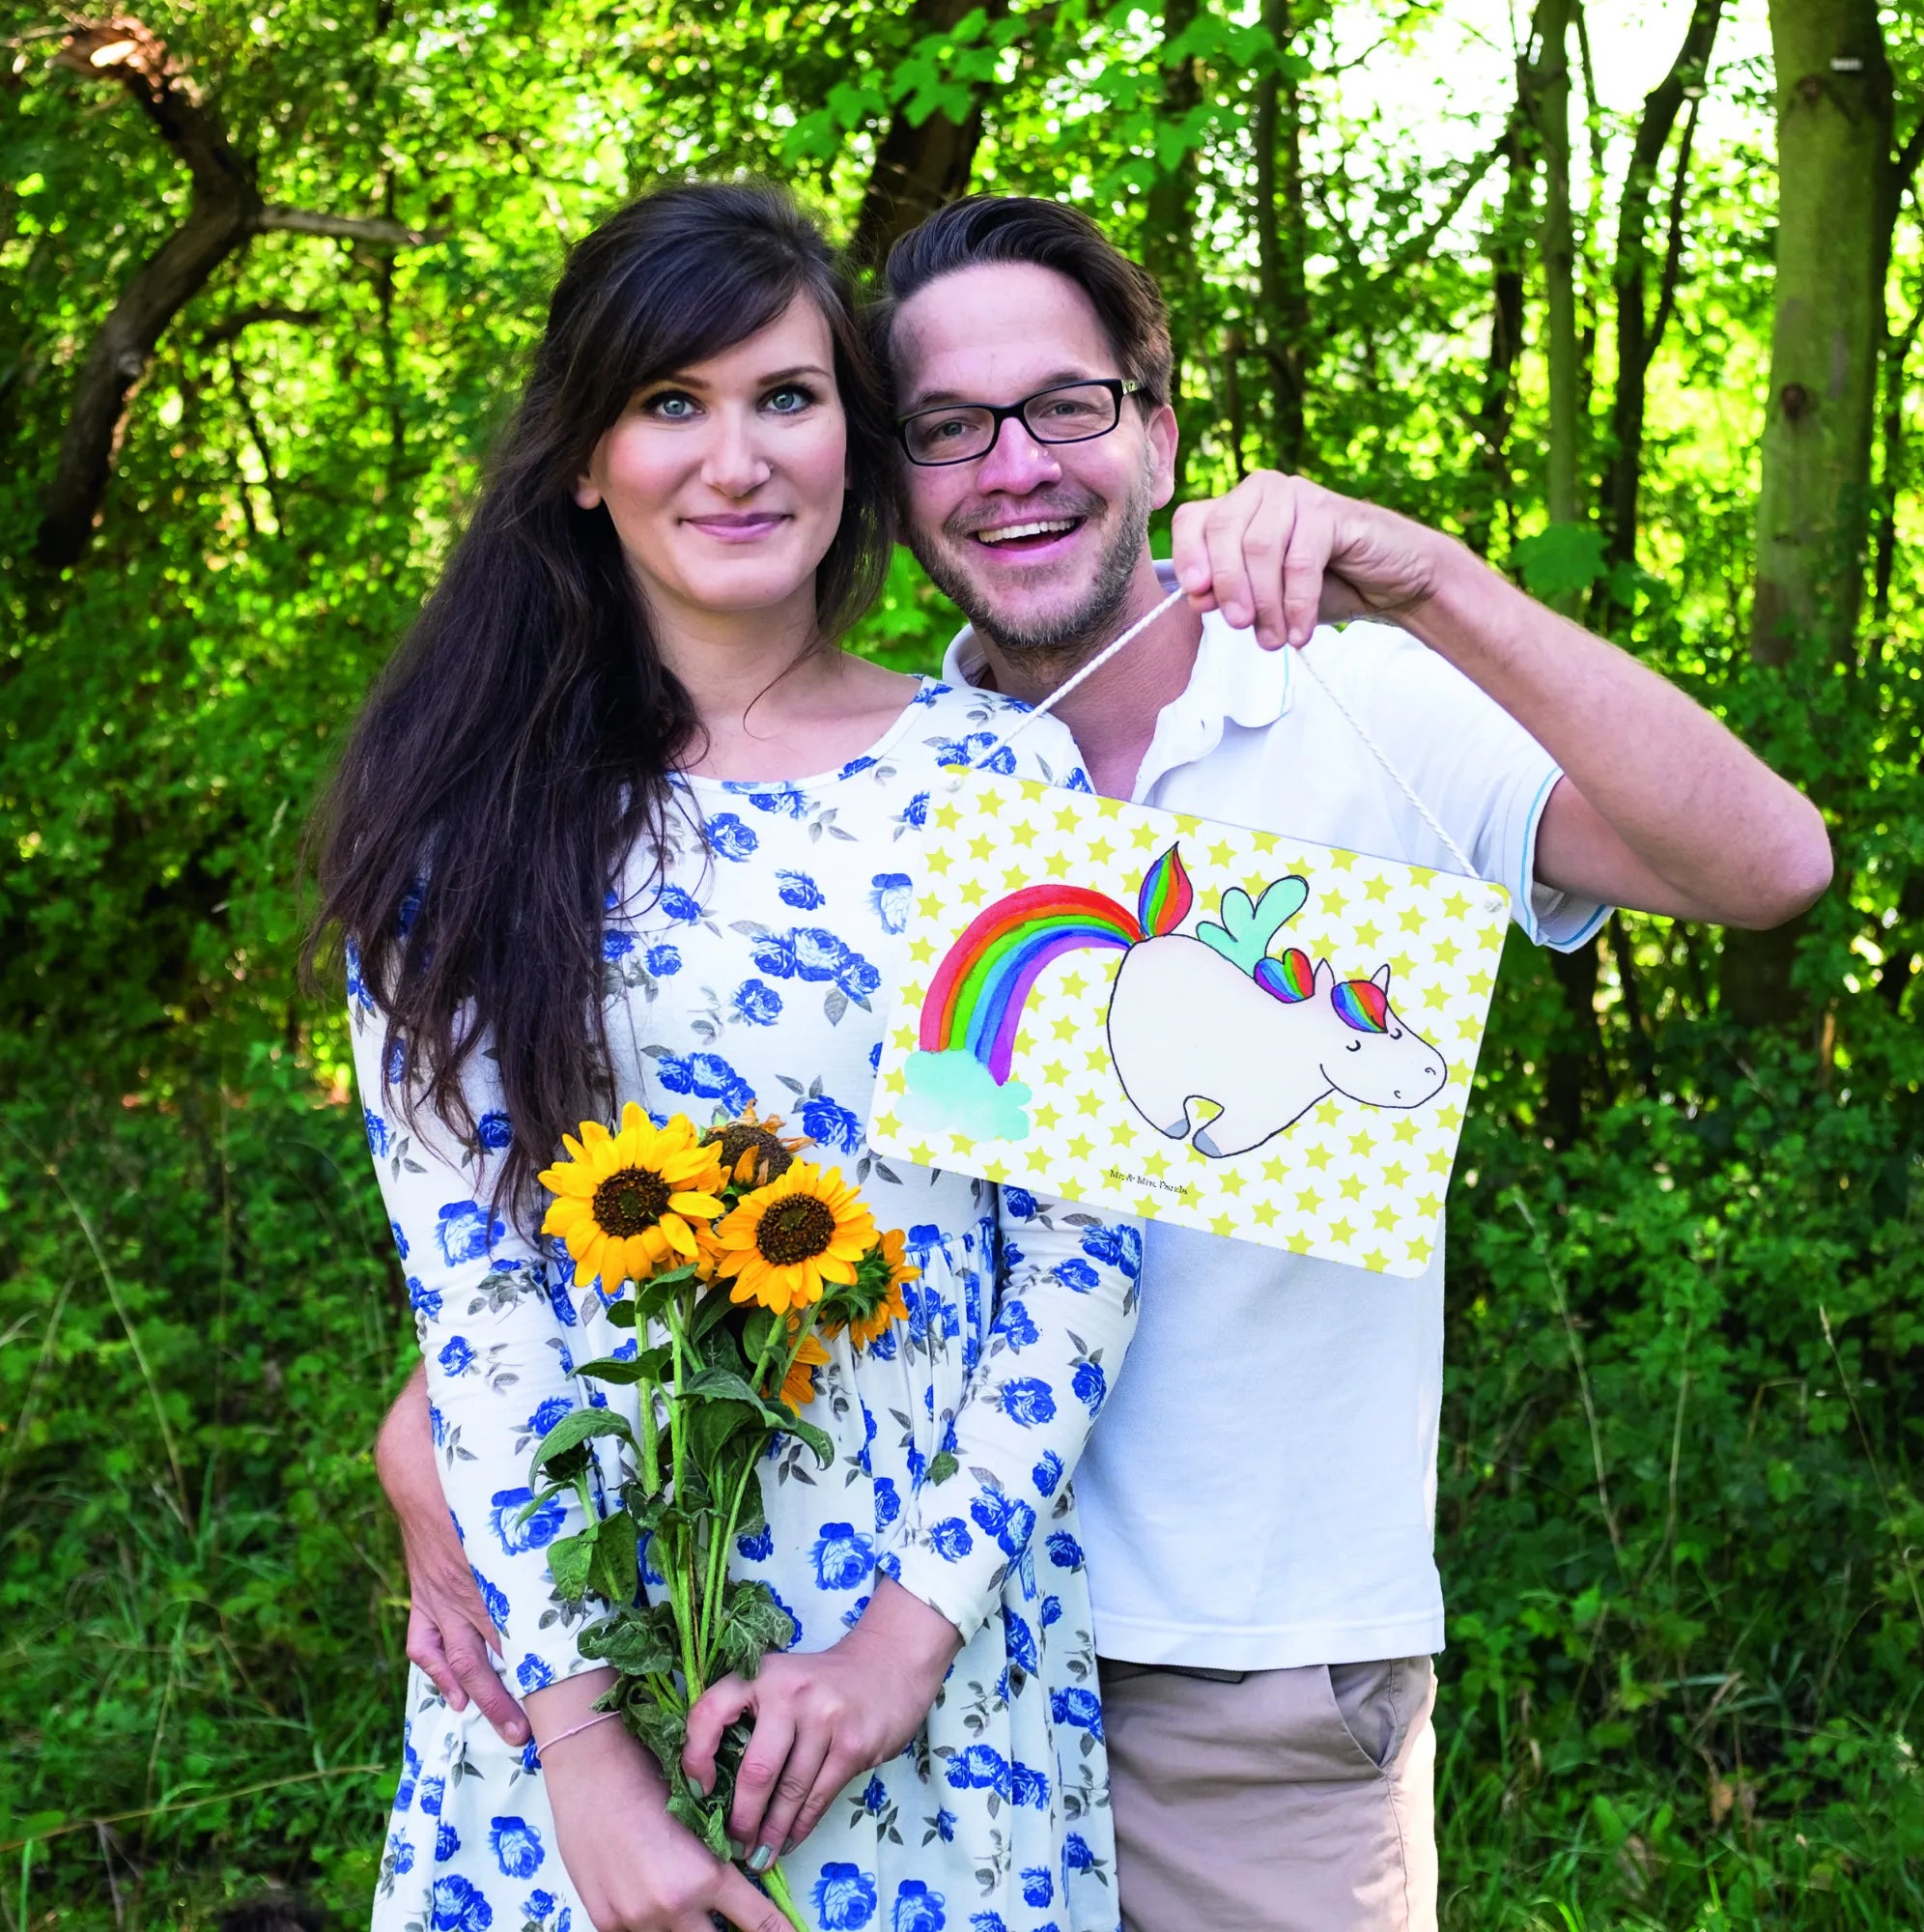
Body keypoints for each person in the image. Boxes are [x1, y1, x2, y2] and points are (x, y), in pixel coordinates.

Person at [379, 191, 1832, 1930]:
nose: (1014, 467)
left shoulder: (1345, 704)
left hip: (1236, 1677)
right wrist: (439, 1426)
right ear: (894, 470)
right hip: (828, 1648)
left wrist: (1431, 577)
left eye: (1064, 407)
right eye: (948, 427)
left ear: (1158, 430)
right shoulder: (901, 783)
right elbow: (669, 1174)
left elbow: (1771, 867)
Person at [314, 183, 1149, 1932]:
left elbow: (1077, 1254)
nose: (738, 458)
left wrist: (902, 1647)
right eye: (670, 403)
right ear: (584, 458)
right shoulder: (462, 825)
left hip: (929, 1669)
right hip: (572, 1667)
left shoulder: (999, 781)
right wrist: (586, 1764)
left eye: (787, 396)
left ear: (855, 435)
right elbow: (477, 1301)